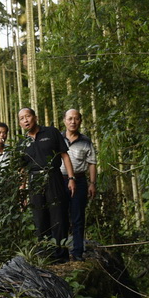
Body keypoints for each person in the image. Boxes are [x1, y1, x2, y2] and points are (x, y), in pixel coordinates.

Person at [17, 107, 76, 264]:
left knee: (58, 216)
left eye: (28, 116)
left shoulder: (51, 132)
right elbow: (22, 170)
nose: (25, 120)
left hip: (53, 176)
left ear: (35, 117)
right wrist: (22, 192)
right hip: (34, 181)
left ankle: (61, 256)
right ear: (20, 123)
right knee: (39, 218)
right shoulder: (21, 143)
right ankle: (45, 256)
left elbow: (64, 155)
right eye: (22, 118)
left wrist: (71, 178)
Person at [61, 109, 98, 262]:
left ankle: (77, 252)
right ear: (64, 120)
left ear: (80, 121)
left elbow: (92, 163)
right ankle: (61, 253)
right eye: (70, 118)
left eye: (76, 119)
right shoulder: (58, 138)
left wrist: (92, 183)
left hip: (80, 180)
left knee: (78, 217)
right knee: (60, 217)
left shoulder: (85, 141)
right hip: (60, 181)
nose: (73, 122)